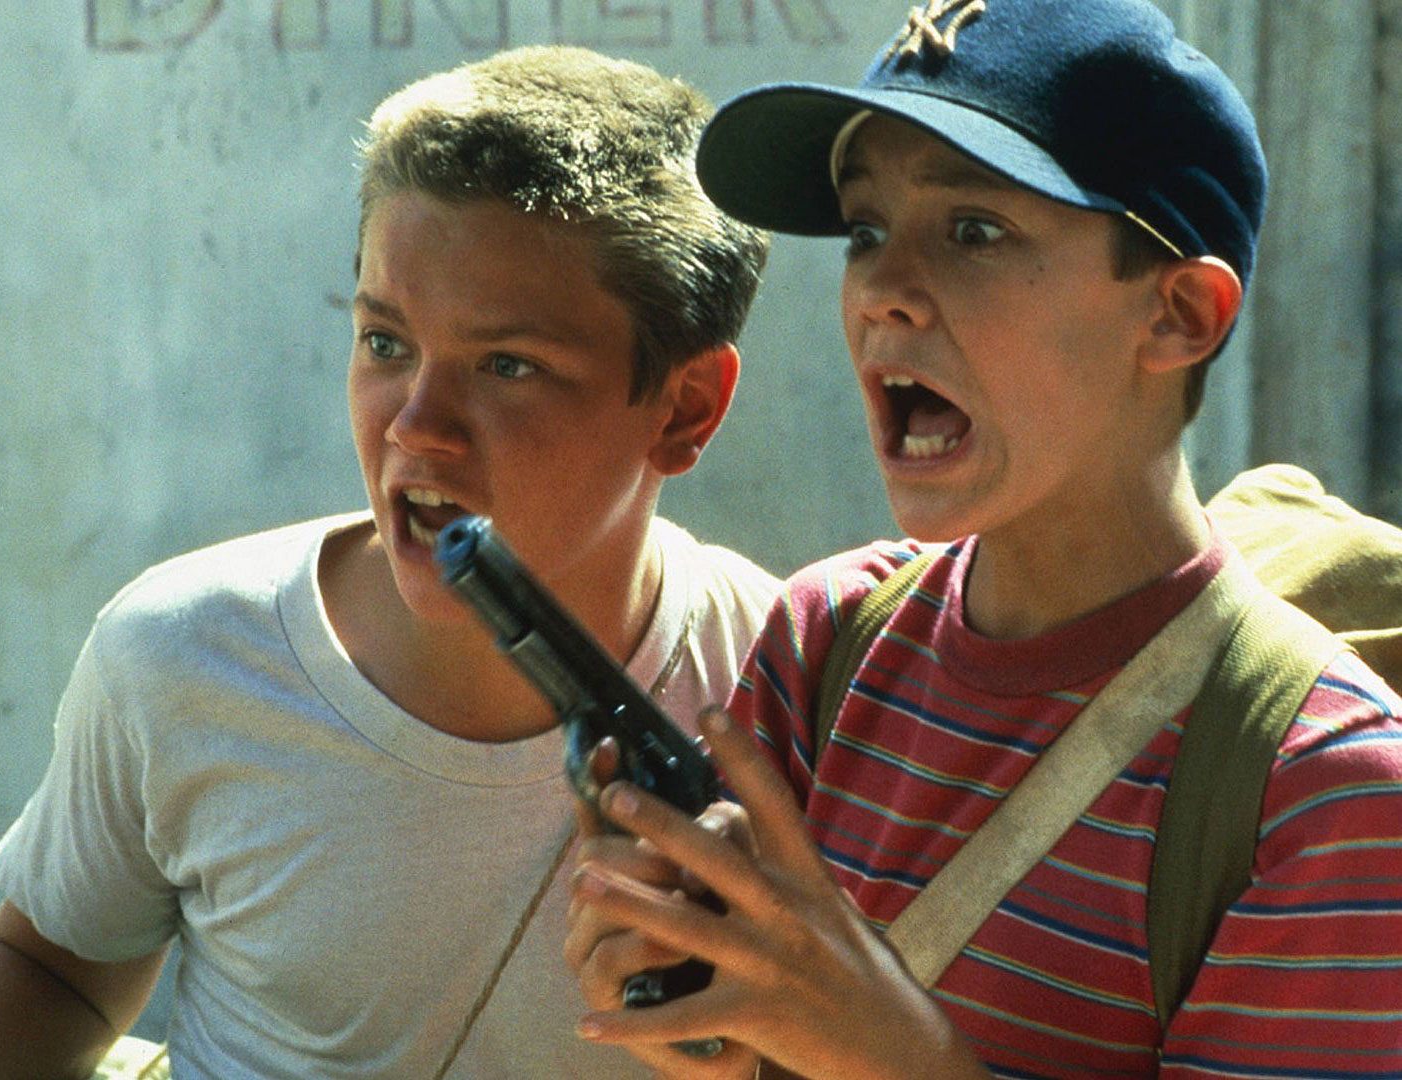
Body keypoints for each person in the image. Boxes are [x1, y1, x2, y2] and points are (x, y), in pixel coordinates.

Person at [0, 45, 775, 1079]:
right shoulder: (183, 650)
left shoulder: (789, 682)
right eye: (385, 344)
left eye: (508, 366)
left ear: (685, 407)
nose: (418, 428)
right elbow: (61, 971)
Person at [565, 1, 1402, 1076]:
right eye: (866, 231)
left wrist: (888, 1047)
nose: (884, 296)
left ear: (1181, 314)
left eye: (975, 231)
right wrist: (693, 1000)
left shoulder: (1326, 791)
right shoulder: (828, 646)